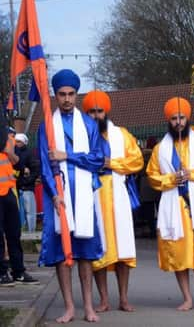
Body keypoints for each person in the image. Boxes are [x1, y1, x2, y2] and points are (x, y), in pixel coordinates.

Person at [38, 69, 105, 323]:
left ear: (77, 94)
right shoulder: (46, 125)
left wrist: (69, 156)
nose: (66, 99)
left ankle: (88, 306)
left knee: (85, 253)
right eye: (62, 94)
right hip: (60, 196)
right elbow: (45, 162)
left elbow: (98, 159)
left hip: (85, 195)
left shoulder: (89, 124)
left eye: (71, 94)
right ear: (55, 95)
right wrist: (54, 195)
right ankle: (68, 307)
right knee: (61, 253)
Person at [146, 97, 194, 311]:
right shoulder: (160, 149)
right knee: (180, 252)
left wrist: (192, 174)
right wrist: (171, 179)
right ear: (168, 121)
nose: (178, 122)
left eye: (181, 117)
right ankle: (187, 297)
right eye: (173, 119)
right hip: (174, 205)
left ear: (187, 118)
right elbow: (152, 176)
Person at [82, 90, 144, 313]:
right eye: (92, 112)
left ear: (106, 111)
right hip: (94, 195)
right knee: (99, 249)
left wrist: (112, 163)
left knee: (123, 248)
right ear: (86, 113)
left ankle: (124, 298)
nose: (96, 116)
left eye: (99, 111)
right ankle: (103, 300)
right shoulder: (81, 135)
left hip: (118, 194)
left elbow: (136, 161)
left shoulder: (122, 134)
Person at [0, 121, 38, 287]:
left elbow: (16, 160)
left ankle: (18, 272)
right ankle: (2, 272)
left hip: (8, 191)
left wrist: (10, 153)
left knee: (14, 234)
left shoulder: (8, 137)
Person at [14, 133, 40, 233]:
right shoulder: (13, 153)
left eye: (19, 141)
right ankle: (20, 231)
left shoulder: (29, 154)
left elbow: (35, 169)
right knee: (19, 212)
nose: (17, 143)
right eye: (16, 141)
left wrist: (27, 181)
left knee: (30, 211)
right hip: (16, 187)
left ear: (24, 142)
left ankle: (31, 232)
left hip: (27, 187)